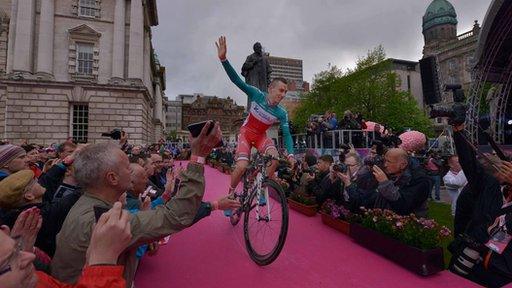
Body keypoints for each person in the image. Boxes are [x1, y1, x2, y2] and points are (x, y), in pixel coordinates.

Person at [50, 121, 223, 287]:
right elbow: (175, 216)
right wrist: (198, 157)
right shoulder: (103, 220)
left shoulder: (88, 205)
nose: (134, 170)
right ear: (112, 178)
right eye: (128, 168)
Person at [216, 36, 295, 217]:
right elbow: (237, 81)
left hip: (260, 137)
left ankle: (259, 187)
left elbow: (288, 135)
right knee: (242, 166)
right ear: (271, 89)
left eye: (285, 92)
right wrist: (224, 60)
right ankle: (230, 195)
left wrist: (291, 155)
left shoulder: (281, 113)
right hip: (245, 134)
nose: (283, 95)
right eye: (281, 90)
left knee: (274, 159)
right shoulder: (257, 95)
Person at [0, 202, 130, 288]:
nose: (30, 257)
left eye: (17, 250)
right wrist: (103, 263)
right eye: (8, 261)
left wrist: (91, 261)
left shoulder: (35, 280)